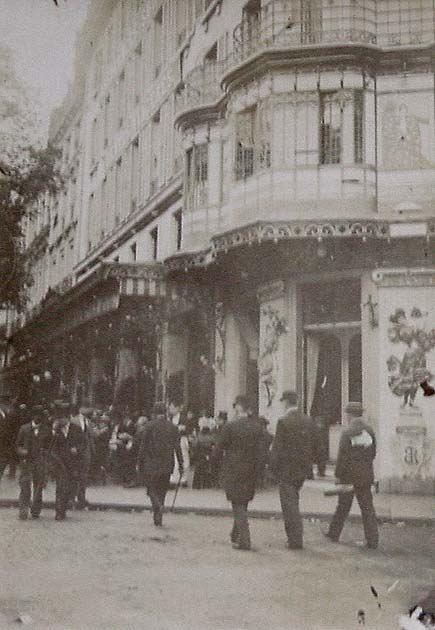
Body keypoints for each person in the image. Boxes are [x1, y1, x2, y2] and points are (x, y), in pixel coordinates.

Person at [212, 395, 265, 551]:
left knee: (237, 503)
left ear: (238, 407)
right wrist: (260, 470)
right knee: (243, 501)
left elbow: (219, 448)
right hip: (251, 470)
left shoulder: (230, 426)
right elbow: (262, 452)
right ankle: (236, 533)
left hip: (233, 469)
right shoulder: (257, 427)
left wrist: (214, 464)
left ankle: (245, 539)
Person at [325, 401, 378, 549]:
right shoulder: (369, 430)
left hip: (348, 477)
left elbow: (342, 457)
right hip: (365, 475)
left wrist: (338, 475)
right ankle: (372, 540)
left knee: (343, 507)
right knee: (367, 508)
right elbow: (373, 453)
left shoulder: (347, 432)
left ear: (349, 415)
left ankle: (334, 533)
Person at [270, 390, 315, 550]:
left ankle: (295, 539)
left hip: (286, 469)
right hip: (301, 470)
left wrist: (272, 468)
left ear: (286, 402)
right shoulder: (307, 420)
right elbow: (313, 446)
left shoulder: (283, 421)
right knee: (294, 501)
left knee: (289, 506)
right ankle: (296, 537)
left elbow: (277, 448)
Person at [138, 402, 184, 526]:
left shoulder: (149, 426)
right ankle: (159, 516)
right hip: (167, 463)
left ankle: (157, 506)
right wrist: (181, 464)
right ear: (165, 412)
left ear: (154, 413)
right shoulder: (173, 427)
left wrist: (139, 461)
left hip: (151, 463)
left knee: (151, 489)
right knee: (162, 490)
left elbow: (143, 446)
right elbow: (177, 448)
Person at [49, 402, 85, 521]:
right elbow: (50, 447)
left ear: (68, 418)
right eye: (59, 418)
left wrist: (77, 449)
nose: (60, 420)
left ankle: (64, 505)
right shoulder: (56, 430)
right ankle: (59, 511)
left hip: (72, 464)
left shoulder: (77, 429)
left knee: (69, 487)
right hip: (60, 464)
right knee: (60, 487)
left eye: (62, 418)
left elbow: (83, 445)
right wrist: (54, 431)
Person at [15, 404, 51, 520]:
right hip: (26, 462)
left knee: (38, 486)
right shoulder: (24, 428)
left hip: (40, 461)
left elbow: (49, 447)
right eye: (35, 415)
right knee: (25, 486)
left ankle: (36, 510)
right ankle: (23, 509)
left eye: (40, 416)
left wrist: (45, 454)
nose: (37, 418)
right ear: (32, 416)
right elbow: (17, 445)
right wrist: (22, 451)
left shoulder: (46, 430)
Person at [72, 403, 95, 509]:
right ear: (81, 409)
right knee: (74, 475)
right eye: (87, 408)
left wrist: (92, 451)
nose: (89, 410)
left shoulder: (89, 422)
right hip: (76, 452)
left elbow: (91, 438)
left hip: (86, 452)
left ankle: (81, 497)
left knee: (84, 476)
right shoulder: (73, 421)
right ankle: (71, 497)